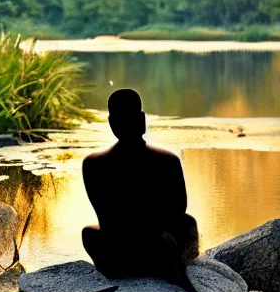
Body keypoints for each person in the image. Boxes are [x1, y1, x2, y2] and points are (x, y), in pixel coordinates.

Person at [82, 88, 199, 282]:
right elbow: (179, 210)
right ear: (142, 120)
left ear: (112, 123)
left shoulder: (92, 164)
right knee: (188, 223)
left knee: (89, 233)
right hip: (157, 251)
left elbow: (105, 216)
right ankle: (179, 272)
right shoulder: (168, 160)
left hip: (118, 252)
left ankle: (115, 274)